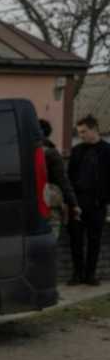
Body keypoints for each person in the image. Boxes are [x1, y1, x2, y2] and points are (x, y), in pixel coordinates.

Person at [67, 115, 110, 286]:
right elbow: (69, 178)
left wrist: (105, 200)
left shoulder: (107, 151)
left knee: (94, 241)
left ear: (94, 129)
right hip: (78, 203)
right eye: (79, 132)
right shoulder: (77, 151)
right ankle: (77, 274)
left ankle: (90, 275)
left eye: (84, 131)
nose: (81, 135)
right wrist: (70, 202)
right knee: (75, 241)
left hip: (97, 203)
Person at [39, 119, 79, 241]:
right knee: (50, 241)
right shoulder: (51, 152)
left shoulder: (26, 151)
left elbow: (62, 180)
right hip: (49, 203)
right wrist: (73, 203)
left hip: (34, 203)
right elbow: (62, 180)